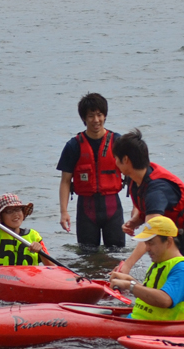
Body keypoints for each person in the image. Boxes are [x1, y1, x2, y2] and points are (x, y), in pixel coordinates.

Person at [112, 128, 184, 274]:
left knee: (173, 286)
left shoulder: (156, 190)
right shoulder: (137, 178)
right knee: (155, 281)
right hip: (167, 241)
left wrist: (127, 265)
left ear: (125, 160)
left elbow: (152, 231)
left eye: (116, 158)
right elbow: (148, 209)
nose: (115, 162)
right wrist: (136, 220)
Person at [56, 93, 126, 249]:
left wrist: (137, 208)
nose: (96, 120)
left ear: (105, 116)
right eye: (91, 116)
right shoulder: (73, 146)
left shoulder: (118, 142)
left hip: (112, 207)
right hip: (86, 210)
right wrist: (64, 212)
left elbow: (133, 176)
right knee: (86, 258)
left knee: (117, 255)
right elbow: (65, 181)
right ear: (84, 119)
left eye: (99, 115)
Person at [109, 216, 184, 320]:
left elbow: (165, 300)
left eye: (151, 243)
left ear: (168, 241)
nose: (147, 248)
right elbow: (153, 293)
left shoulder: (183, 269)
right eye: (146, 243)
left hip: (161, 329)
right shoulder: (160, 263)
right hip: (139, 322)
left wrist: (130, 285)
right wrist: (130, 280)